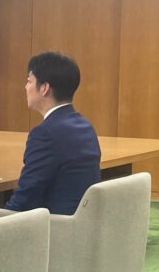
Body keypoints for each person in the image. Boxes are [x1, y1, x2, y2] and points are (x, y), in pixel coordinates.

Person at [5, 51, 101, 215]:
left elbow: (26, 196)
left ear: (44, 88)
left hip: (54, 225)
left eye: (29, 81)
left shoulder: (45, 133)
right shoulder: (85, 126)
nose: (26, 87)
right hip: (81, 221)